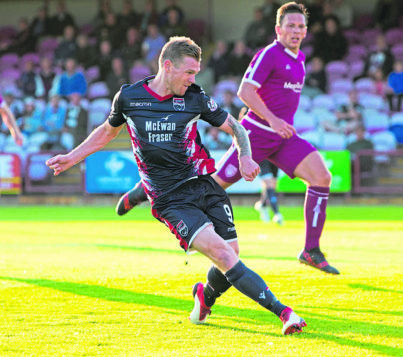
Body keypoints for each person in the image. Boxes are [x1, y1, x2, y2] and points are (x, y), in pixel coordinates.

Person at [45, 36, 306, 335]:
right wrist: (72, 157)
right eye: (189, 73)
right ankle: (285, 313)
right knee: (223, 256)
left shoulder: (194, 97)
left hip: (205, 185)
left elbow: (235, 126)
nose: (194, 79)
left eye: (196, 73)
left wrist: (245, 157)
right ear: (168, 66)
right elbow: (106, 132)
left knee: (230, 254)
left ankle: (204, 297)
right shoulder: (130, 97)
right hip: (170, 199)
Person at [114, 2, 339, 275]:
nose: (296, 31)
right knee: (212, 185)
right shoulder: (270, 55)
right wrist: (273, 119)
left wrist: (280, 123)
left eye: (300, 26)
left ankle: (311, 251)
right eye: (290, 26)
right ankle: (145, 190)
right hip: (256, 134)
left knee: (321, 178)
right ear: (278, 29)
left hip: (282, 136)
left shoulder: (299, 59)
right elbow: (245, 91)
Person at [254, 159, 283, 225]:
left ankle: (263, 204)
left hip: (274, 158)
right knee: (269, 185)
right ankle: (277, 214)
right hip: (263, 158)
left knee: (273, 186)